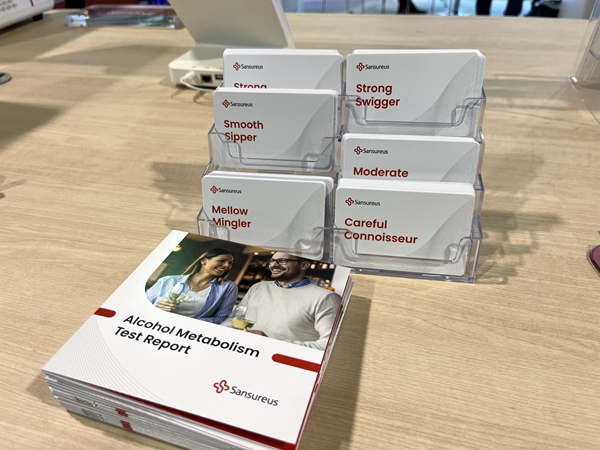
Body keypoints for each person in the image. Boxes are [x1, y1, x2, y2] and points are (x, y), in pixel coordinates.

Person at [224, 252, 341, 351]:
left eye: (282, 261)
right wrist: (220, 339)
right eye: (272, 261)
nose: (273, 265)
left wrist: (272, 344)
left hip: (282, 364)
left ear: (304, 265)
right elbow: (233, 320)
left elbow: (330, 345)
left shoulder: (326, 298)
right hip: (242, 352)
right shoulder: (258, 287)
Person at [146, 248, 238, 324]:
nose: (227, 265)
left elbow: (222, 318)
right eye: (222, 261)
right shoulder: (168, 280)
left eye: (230, 263)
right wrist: (155, 307)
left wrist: (189, 323)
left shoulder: (228, 287)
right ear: (204, 261)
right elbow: (143, 306)